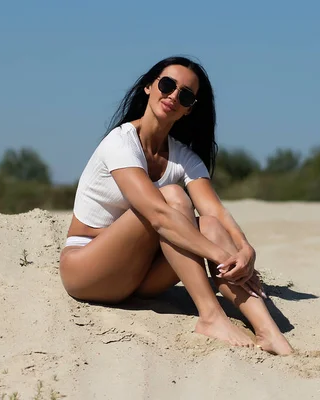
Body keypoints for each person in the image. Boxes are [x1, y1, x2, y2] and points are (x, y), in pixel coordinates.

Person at [58, 56, 293, 355]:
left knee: (209, 225)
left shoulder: (185, 158)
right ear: (148, 86)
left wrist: (245, 251)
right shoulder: (120, 142)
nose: (172, 96)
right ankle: (210, 316)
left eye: (185, 95)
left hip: (138, 277)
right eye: (167, 85)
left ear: (189, 109)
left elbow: (215, 212)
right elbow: (157, 215)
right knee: (172, 198)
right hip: (88, 270)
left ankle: (269, 333)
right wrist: (222, 255)